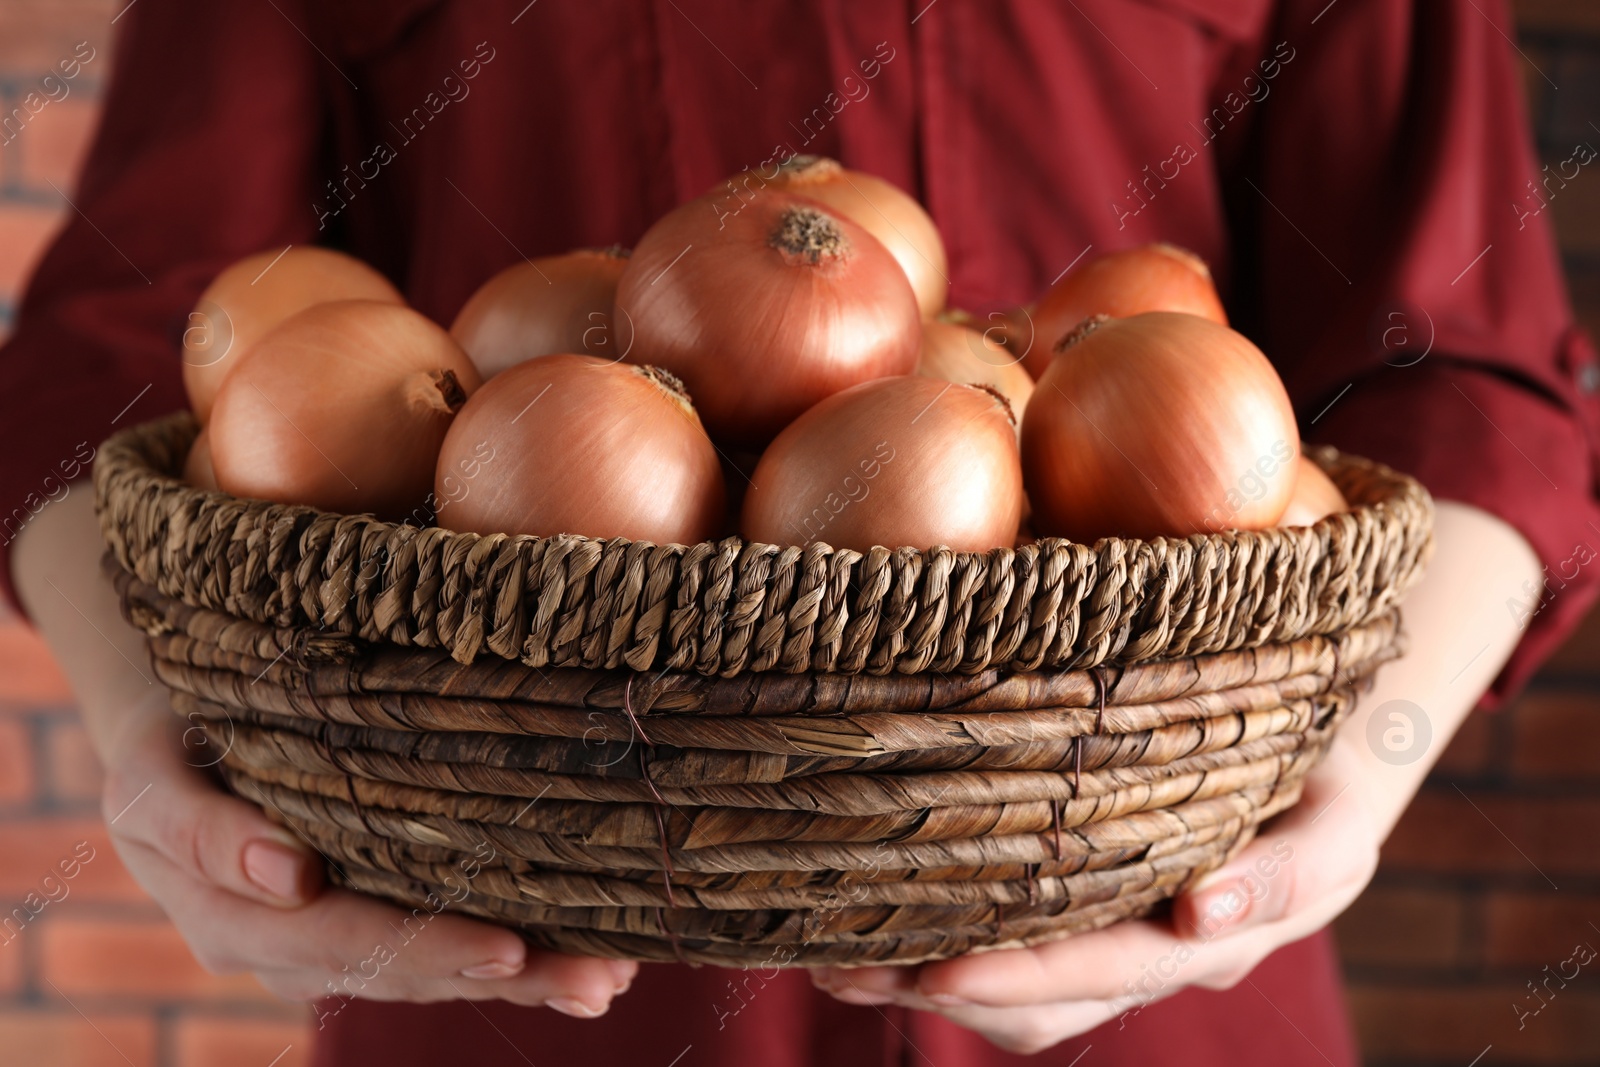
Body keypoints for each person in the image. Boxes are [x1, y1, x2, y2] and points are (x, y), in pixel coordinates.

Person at [4, 1, 1596, 1063]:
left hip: (1146, 946)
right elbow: (120, 352)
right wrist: (158, 737)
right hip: (512, 958)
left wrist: (1351, 787)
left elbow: (1456, 370)